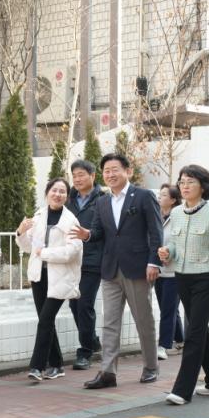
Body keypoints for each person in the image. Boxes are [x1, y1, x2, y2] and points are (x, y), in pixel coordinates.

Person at [70, 153, 163, 389]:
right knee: (110, 323)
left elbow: (156, 231)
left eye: (114, 169)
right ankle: (108, 372)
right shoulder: (102, 201)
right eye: (106, 171)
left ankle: (151, 366)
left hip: (138, 268)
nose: (110, 174)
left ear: (127, 171)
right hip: (110, 269)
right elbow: (98, 232)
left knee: (143, 320)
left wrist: (154, 262)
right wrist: (87, 235)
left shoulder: (143, 196)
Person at [158, 164, 209, 405]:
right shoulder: (177, 213)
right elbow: (175, 245)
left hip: (206, 278)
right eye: (182, 181)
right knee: (200, 331)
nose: (185, 186)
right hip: (182, 277)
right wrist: (167, 251)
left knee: (193, 333)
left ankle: (182, 390)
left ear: (203, 186)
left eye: (190, 181)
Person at [16, 177, 83, 381]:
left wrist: (44, 253)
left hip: (61, 278)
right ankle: (56, 365)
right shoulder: (39, 216)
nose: (58, 194)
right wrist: (20, 232)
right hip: (39, 276)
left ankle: (37, 367)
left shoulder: (71, 221)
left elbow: (71, 251)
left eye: (62, 191)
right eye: (54, 190)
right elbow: (29, 247)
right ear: (47, 193)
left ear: (67, 196)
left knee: (45, 320)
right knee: (46, 321)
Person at [66, 160, 105, 370]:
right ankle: (93, 341)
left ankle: (85, 352)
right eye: (74, 175)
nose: (77, 179)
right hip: (71, 260)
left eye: (81, 174)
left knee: (84, 304)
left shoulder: (103, 200)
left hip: (92, 260)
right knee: (74, 304)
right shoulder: (68, 199)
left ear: (92, 176)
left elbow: (107, 230)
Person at [155, 183, 185, 361]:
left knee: (167, 309)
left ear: (173, 200)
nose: (160, 197)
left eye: (164, 195)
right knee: (169, 308)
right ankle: (180, 340)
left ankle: (163, 346)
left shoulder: (179, 218)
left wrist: (170, 255)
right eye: (160, 194)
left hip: (175, 272)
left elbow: (181, 244)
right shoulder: (156, 216)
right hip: (159, 271)